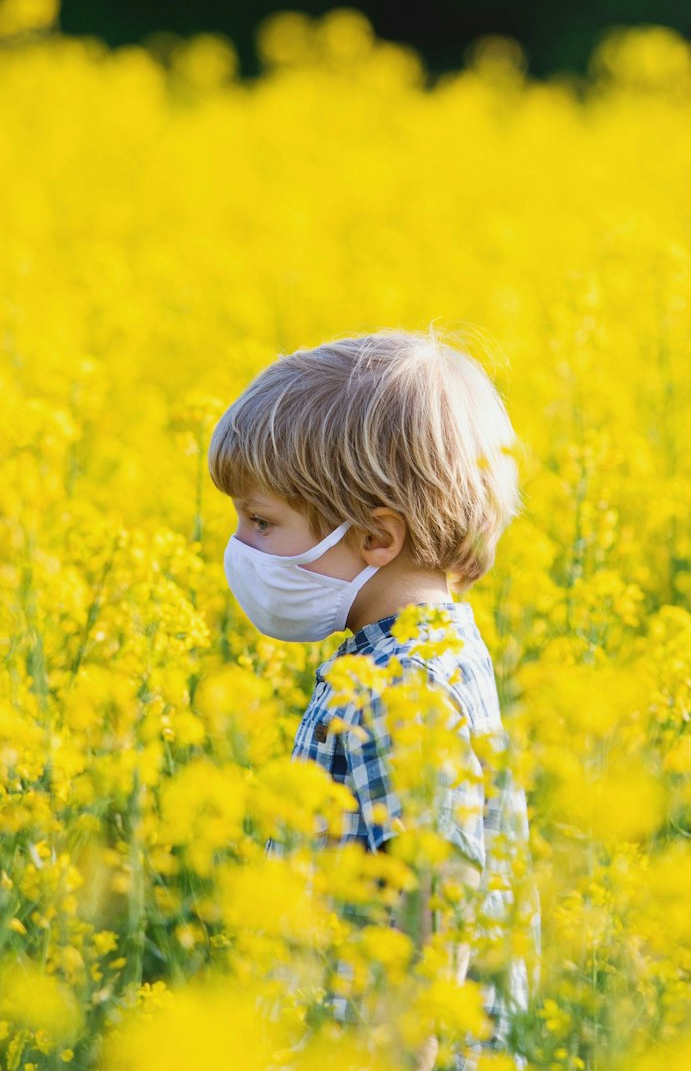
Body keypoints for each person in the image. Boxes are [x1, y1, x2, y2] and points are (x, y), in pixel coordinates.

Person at [209, 327, 538, 1069]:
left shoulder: (404, 685)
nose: (241, 545)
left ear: (376, 538)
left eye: (261, 521)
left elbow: (437, 892)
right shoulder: (431, 649)